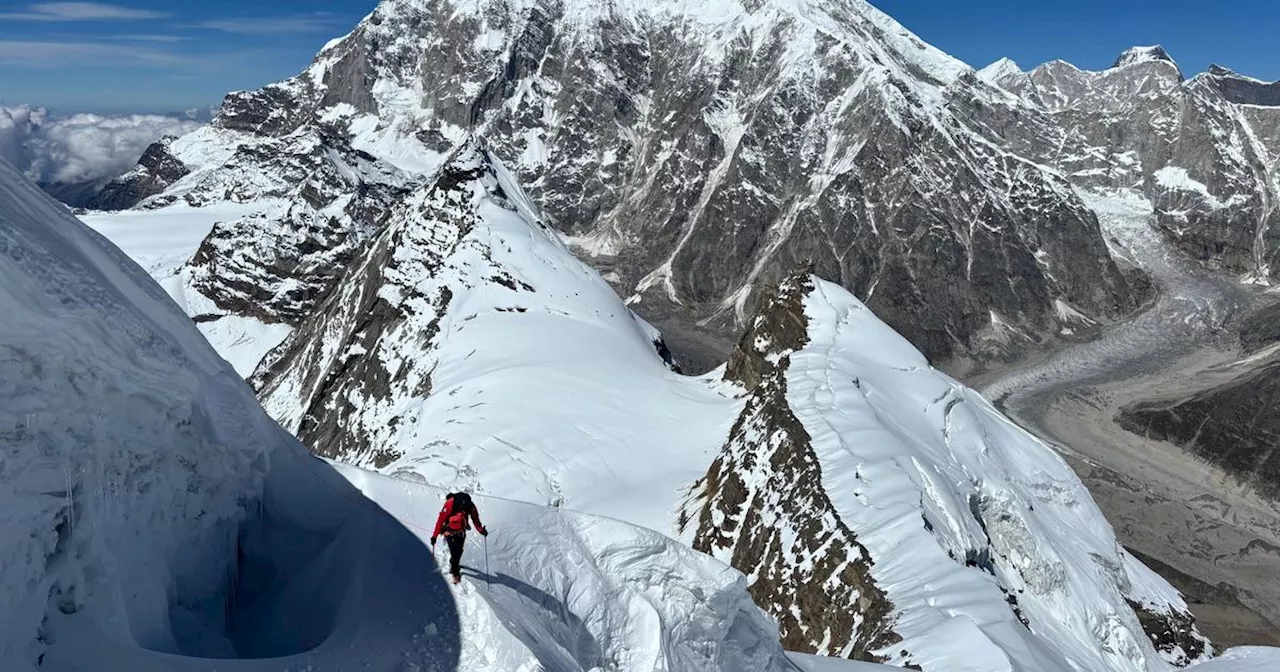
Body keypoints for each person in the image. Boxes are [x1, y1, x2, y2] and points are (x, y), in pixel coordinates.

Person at [431, 492, 488, 584]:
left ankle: (453, 564)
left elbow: (440, 520)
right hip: (454, 531)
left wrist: (434, 536)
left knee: (459, 551)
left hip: (455, 531)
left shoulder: (460, 504)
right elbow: (475, 520)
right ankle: (455, 572)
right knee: (456, 552)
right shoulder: (458, 504)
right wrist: (481, 530)